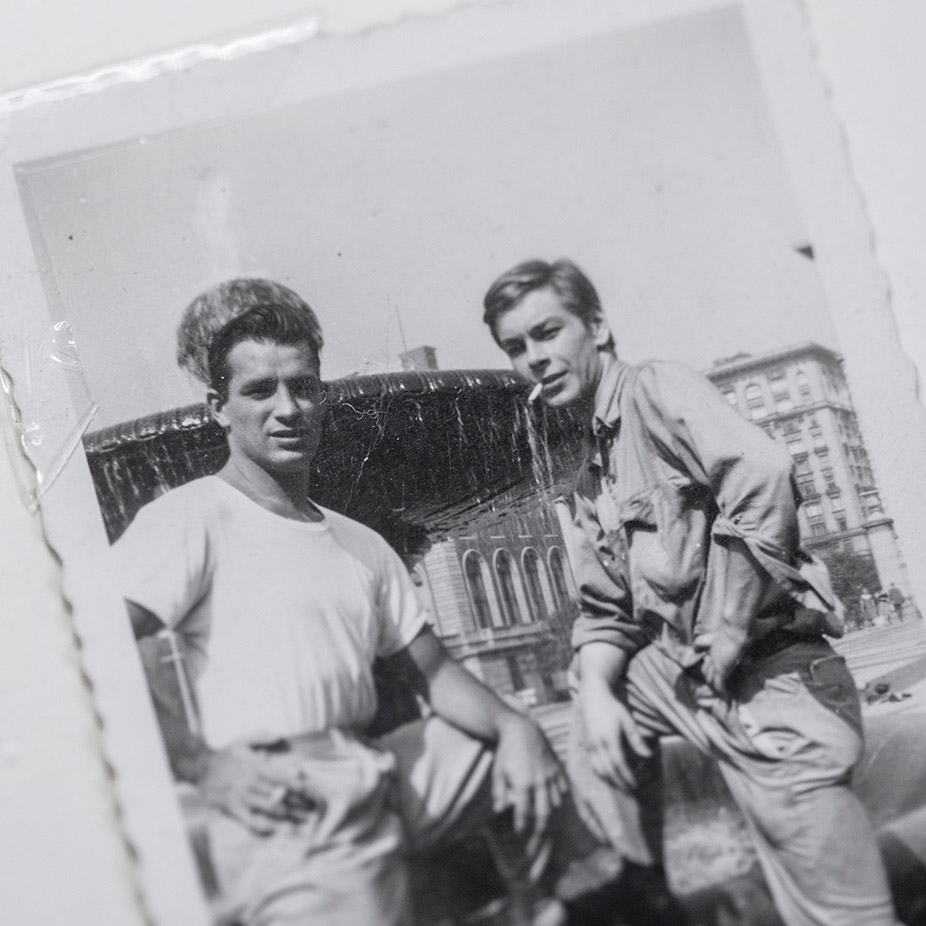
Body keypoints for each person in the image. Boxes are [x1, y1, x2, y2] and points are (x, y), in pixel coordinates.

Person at [113, 279, 586, 926]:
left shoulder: (357, 541)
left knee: (514, 759)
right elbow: (99, 640)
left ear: (323, 394)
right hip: (292, 799)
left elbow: (437, 675)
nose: (288, 409)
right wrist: (202, 764)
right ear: (217, 406)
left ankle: (539, 909)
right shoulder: (191, 518)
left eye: (303, 387)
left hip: (380, 769)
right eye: (259, 391)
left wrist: (516, 727)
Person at [482, 258, 901, 926]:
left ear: (596, 326)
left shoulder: (655, 390)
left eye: (547, 332)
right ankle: (640, 897)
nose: (534, 357)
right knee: (601, 695)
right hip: (689, 681)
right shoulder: (592, 461)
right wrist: (594, 695)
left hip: (772, 680)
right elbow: (604, 610)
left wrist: (731, 622)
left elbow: (764, 475)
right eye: (515, 347)